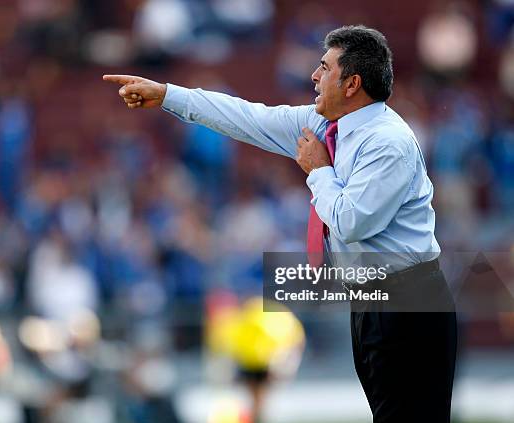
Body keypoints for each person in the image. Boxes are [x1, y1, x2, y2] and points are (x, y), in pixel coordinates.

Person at [104, 25, 457, 423]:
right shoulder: (326, 124)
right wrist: (168, 95)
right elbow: (248, 117)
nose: (314, 76)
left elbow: (351, 221)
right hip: (373, 300)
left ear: (352, 83)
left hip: (409, 301)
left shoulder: (388, 142)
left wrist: (318, 170)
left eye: (324, 68)